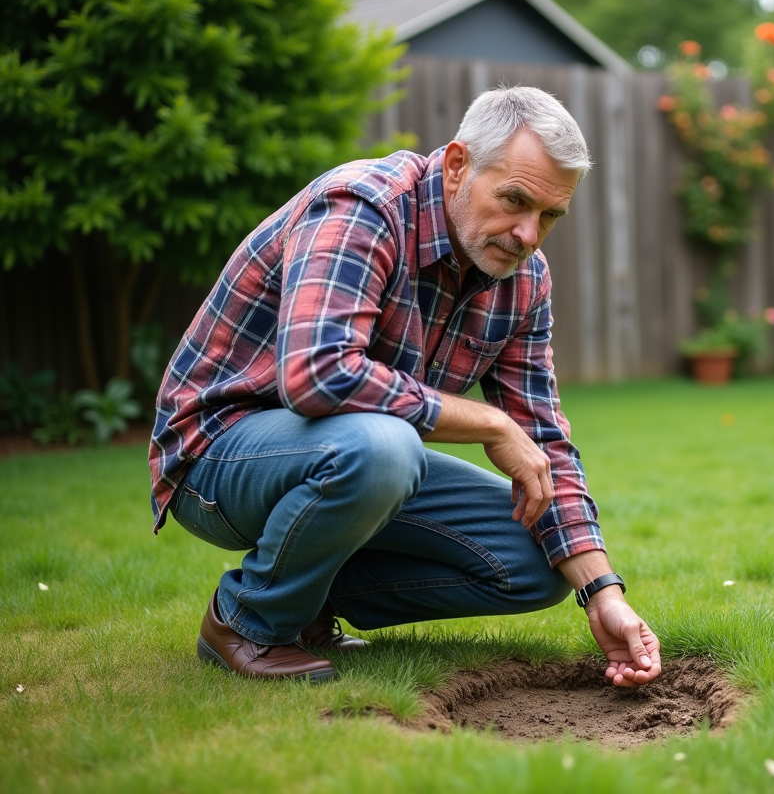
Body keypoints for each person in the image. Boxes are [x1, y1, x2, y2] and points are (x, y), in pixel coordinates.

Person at [148, 86, 661, 688]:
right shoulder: (363, 207)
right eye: (515, 201)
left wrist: (603, 593)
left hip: (352, 456)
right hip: (216, 457)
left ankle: (309, 602)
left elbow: (544, 436)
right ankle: (246, 621)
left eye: (549, 215)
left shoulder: (523, 280)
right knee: (384, 447)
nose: (528, 234)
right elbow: (319, 374)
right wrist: (492, 424)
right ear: (457, 165)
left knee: (538, 560)